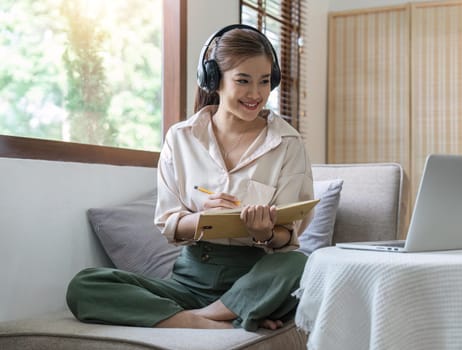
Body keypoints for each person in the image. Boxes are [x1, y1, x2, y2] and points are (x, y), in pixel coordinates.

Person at [66, 24, 314, 332]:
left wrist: (263, 233)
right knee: (85, 284)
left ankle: (210, 314)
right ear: (214, 80)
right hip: (188, 281)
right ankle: (212, 319)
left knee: (300, 266)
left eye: (264, 81)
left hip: (257, 276)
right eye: (243, 81)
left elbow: (287, 238)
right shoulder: (180, 138)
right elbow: (168, 223)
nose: (256, 94)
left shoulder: (288, 144)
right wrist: (202, 218)